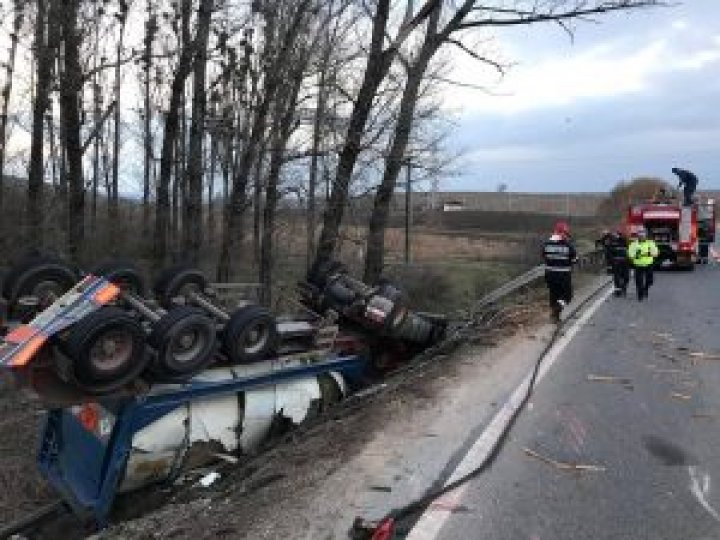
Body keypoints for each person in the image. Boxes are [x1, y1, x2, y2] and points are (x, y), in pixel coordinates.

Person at [543, 221, 577, 323]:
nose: (566, 236)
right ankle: (557, 309)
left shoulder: (546, 244)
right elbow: (575, 259)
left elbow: (544, 256)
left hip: (549, 274)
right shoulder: (568, 245)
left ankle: (555, 317)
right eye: (565, 233)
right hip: (563, 275)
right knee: (567, 295)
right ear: (561, 233)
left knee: (554, 294)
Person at [628, 227, 658, 301]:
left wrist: (648, 253)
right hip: (638, 265)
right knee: (639, 281)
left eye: (643, 234)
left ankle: (645, 289)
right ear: (638, 236)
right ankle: (640, 294)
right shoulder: (634, 244)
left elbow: (655, 253)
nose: (641, 236)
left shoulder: (650, 243)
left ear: (646, 235)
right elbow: (630, 254)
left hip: (649, 264)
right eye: (640, 235)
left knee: (650, 280)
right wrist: (636, 255)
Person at [609, 230, 630, 296]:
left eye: (617, 235)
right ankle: (617, 291)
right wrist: (611, 261)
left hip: (625, 262)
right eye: (614, 235)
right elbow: (609, 253)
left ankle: (623, 287)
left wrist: (629, 260)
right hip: (616, 262)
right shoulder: (612, 243)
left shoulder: (625, 242)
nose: (616, 236)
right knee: (617, 277)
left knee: (626, 277)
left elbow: (630, 252)